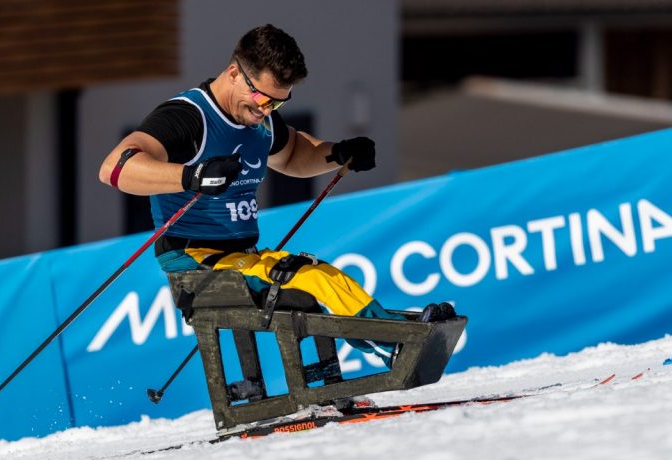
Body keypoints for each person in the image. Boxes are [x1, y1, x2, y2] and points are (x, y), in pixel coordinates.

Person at [99, 24, 454, 366]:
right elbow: (115, 168)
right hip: (196, 262)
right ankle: (393, 345)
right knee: (311, 278)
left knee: (320, 274)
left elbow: (294, 154)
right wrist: (191, 175)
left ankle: (393, 334)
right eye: (260, 98)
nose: (264, 111)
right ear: (234, 72)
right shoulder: (189, 118)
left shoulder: (260, 120)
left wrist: (339, 152)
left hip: (239, 257)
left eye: (277, 104)